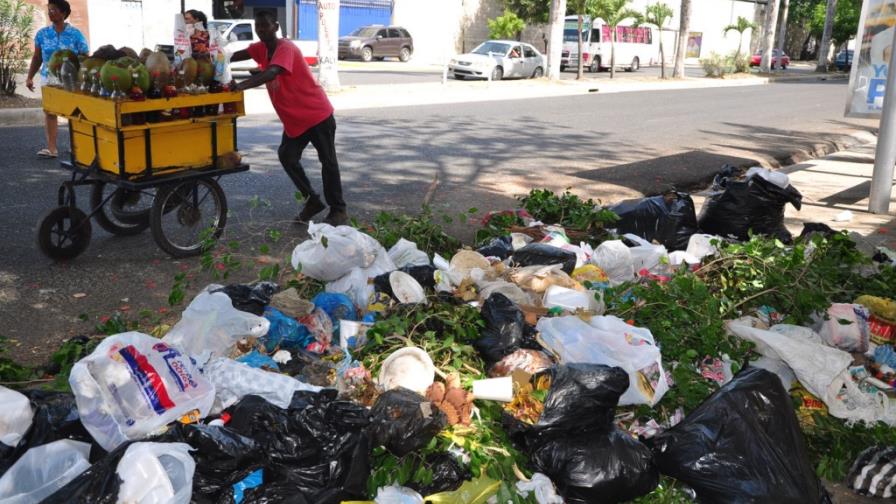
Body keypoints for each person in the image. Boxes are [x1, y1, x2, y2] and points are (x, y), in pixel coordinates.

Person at [230, 11, 347, 226]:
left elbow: (273, 72)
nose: (260, 30)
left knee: (328, 161)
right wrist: (215, 55)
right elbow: (238, 55)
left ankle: (339, 210)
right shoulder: (262, 48)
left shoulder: (286, 48)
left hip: (316, 114)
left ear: (275, 26)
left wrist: (241, 86)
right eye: (258, 26)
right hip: (296, 121)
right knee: (287, 156)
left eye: (265, 25)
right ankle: (312, 200)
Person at [25, 0, 88, 159]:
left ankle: (78, 148)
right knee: (50, 112)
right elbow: (37, 57)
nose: (50, 12)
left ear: (63, 12)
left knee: (75, 111)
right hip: (49, 78)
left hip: (70, 78)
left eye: (53, 10)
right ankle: (52, 148)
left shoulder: (75, 34)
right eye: (49, 10)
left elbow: (85, 55)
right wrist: (30, 77)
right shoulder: (42, 34)